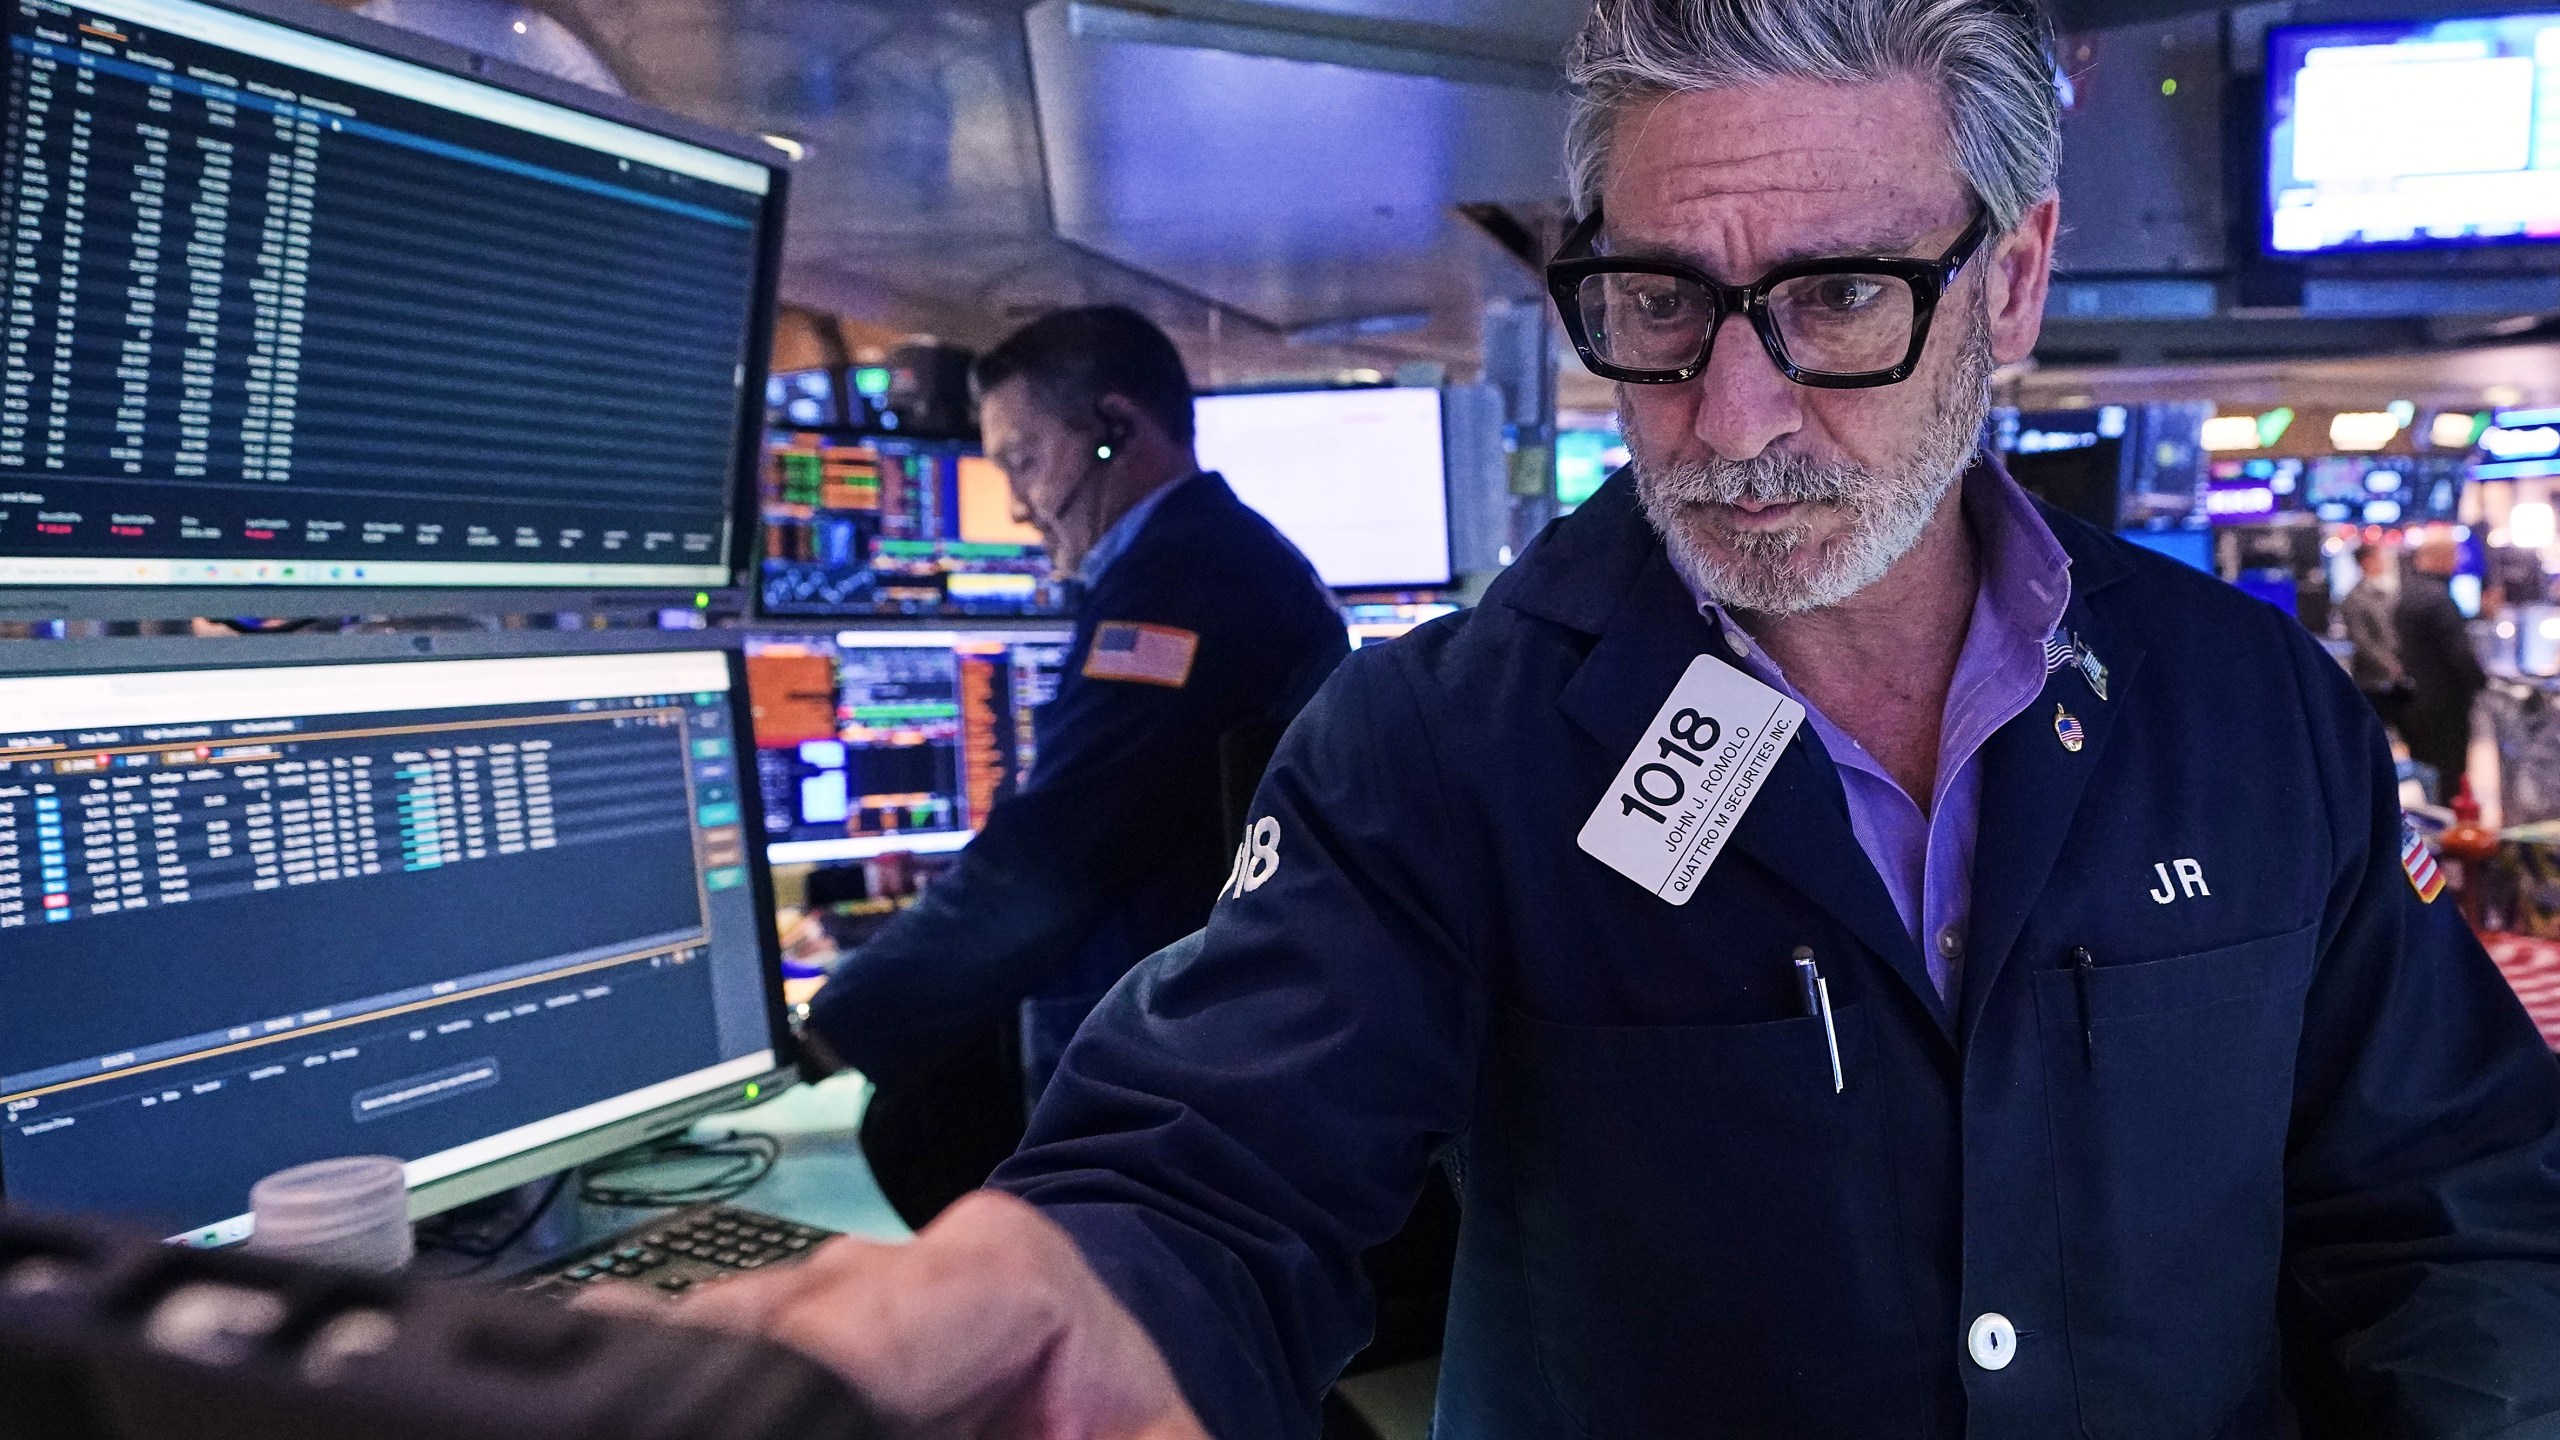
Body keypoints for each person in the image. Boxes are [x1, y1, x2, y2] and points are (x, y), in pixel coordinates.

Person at [613, 2, 2560, 1433]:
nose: (1727, 418)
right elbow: (1214, 1166)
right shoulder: (1446, 741)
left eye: (1837, 297)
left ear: (2014, 282)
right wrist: (1078, 1280)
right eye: (1654, 299)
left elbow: (2448, 1207)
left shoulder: (2247, 709)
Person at [796, 305, 1348, 1221]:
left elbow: (1060, 850)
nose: (1017, 502)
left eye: (1022, 459)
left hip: (1178, 1070)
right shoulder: (1205, 559)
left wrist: (833, 1029)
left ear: (1114, 430)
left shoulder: (1183, 585)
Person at [2396, 534, 2489, 804]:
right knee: (2449, 777)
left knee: (2425, 771)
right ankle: (2448, 835)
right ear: (2442, 558)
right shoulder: (2439, 600)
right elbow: (2458, 654)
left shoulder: (2408, 595)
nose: (2458, 562)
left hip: (2414, 701)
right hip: (2445, 705)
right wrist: (2480, 682)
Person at [2340, 540, 2409, 730]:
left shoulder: (2392, 592)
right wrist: (2390, 664)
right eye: (2379, 557)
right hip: (2372, 681)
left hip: (2398, 679)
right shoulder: (2353, 599)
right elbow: (2361, 640)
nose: (2384, 562)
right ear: (2367, 561)